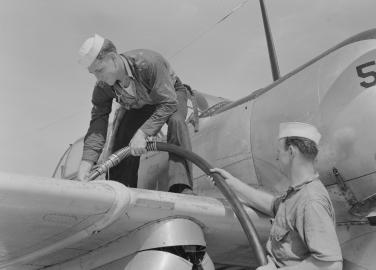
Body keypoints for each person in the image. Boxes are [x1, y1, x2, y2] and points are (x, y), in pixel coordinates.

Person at [211, 122, 342, 270]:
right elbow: (273, 205)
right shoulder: (298, 193)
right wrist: (233, 184)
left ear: (291, 152)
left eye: (279, 152)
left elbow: (330, 265)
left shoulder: (310, 201)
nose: (276, 157)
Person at [76, 34, 193, 194]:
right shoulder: (102, 87)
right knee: (123, 136)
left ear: (113, 58)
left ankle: (181, 187)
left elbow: (168, 103)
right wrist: (86, 162)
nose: (98, 77)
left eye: (100, 70)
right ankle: (120, 190)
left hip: (169, 96)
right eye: (93, 73)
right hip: (138, 105)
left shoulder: (149, 62)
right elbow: (98, 124)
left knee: (176, 122)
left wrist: (143, 133)